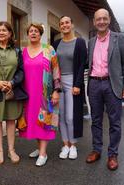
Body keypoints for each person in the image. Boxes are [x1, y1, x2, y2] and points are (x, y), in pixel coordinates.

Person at [85, 9, 124, 170]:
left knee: (115, 122)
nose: (102, 22)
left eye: (104, 18)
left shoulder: (119, 39)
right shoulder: (91, 42)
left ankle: (112, 155)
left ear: (109, 20)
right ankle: (96, 150)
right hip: (94, 84)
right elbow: (86, 64)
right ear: (94, 21)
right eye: (99, 19)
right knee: (96, 120)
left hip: (112, 84)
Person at [0, 21, 27, 165]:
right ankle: (0, 150)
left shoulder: (17, 51)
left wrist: (12, 82)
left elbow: (21, 71)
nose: (1, 32)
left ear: (10, 34)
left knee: (11, 120)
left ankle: (11, 150)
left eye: (4, 30)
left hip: (11, 91)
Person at [19, 23, 61, 167]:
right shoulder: (23, 51)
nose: (33, 33)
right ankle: (39, 148)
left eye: (36, 31)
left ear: (40, 33)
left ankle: (43, 153)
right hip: (28, 93)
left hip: (44, 94)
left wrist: (56, 90)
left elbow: (56, 70)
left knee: (44, 121)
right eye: (30, 31)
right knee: (33, 121)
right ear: (27, 34)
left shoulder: (49, 49)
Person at [52, 16, 87, 160]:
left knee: (71, 116)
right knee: (61, 116)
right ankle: (65, 144)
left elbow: (83, 65)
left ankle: (73, 145)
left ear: (72, 25)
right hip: (59, 82)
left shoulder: (79, 42)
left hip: (73, 82)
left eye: (67, 22)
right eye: (61, 23)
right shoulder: (56, 44)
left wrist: (77, 84)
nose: (64, 25)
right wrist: (54, 86)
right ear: (59, 27)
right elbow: (52, 65)